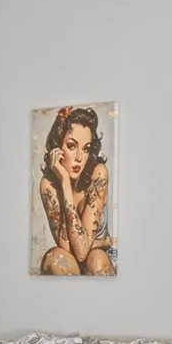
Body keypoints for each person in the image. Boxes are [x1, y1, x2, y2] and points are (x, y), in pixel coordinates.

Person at [37, 106, 114, 275]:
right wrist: (65, 182)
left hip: (98, 259)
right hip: (72, 259)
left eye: (86, 149)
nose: (80, 157)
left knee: (96, 260)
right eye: (72, 146)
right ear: (57, 148)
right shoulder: (48, 185)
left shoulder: (98, 173)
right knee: (54, 258)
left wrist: (102, 243)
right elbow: (67, 248)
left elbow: (82, 252)